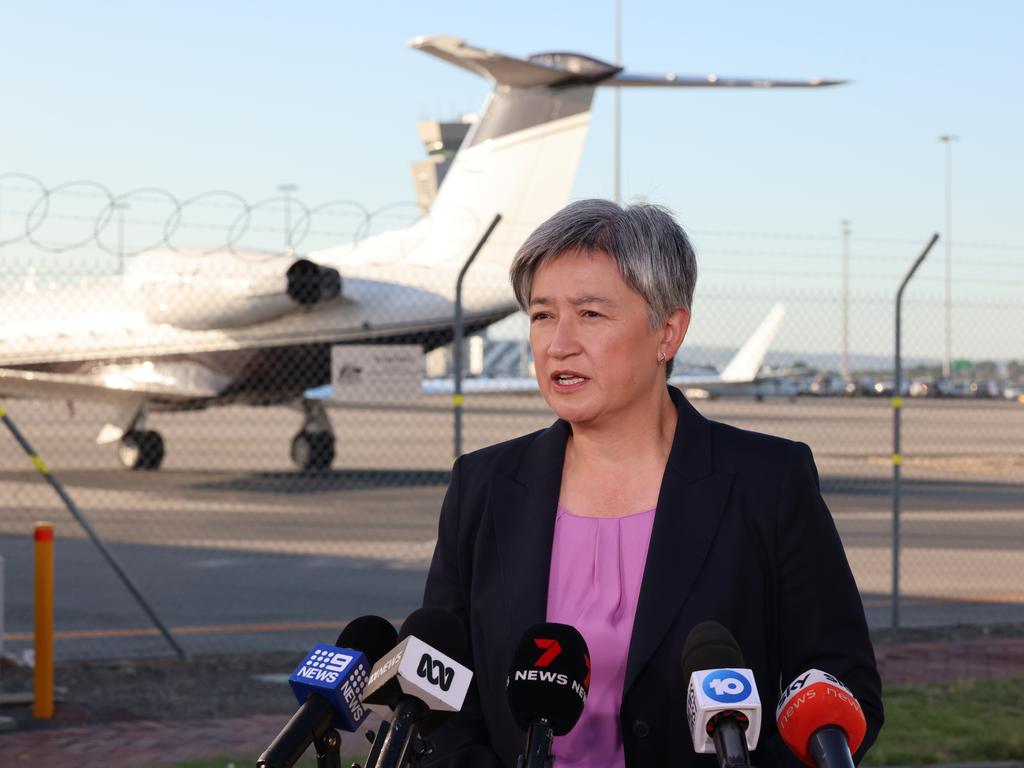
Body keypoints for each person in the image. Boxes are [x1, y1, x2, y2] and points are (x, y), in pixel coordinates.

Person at [422, 199, 882, 768]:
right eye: (542, 315)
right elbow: (440, 693)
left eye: (590, 314)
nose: (557, 343)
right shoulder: (483, 486)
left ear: (668, 331)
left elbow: (841, 683)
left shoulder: (768, 483)